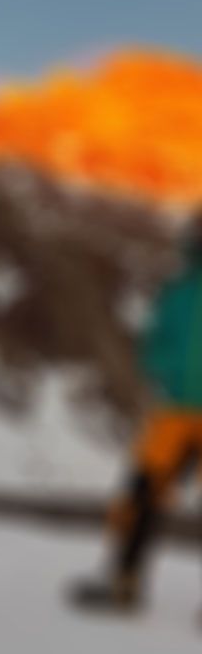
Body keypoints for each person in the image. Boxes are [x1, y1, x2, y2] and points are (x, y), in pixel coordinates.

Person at [72, 216, 202, 612]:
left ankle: (123, 581)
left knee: (144, 495)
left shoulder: (176, 291)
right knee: (143, 494)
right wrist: (164, 370)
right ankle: (123, 581)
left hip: (176, 410)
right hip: (175, 411)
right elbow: (155, 344)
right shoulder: (177, 292)